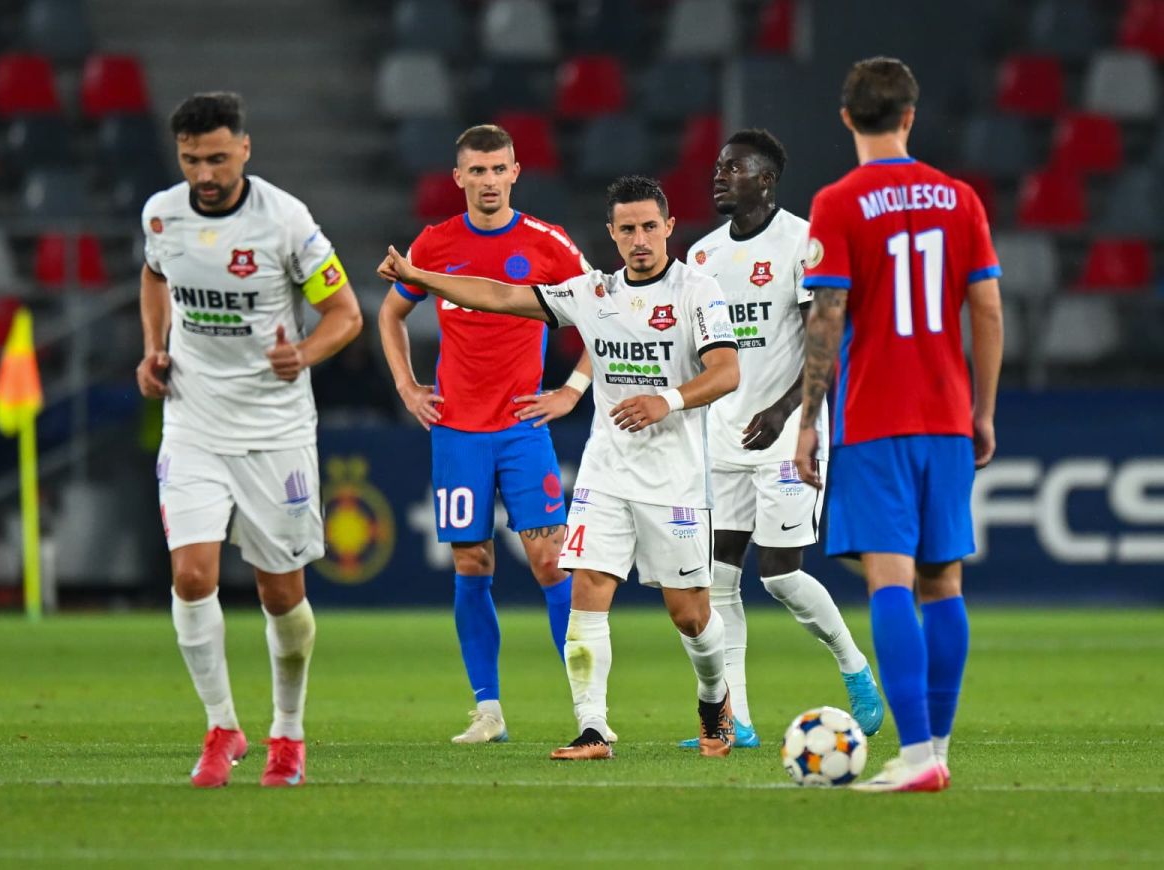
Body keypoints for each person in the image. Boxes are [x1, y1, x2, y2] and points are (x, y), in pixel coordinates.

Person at [379, 175, 742, 760]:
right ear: (612, 234)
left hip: (674, 478)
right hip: (605, 472)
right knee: (587, 592)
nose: (640, 239)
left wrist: (666, 400)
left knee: (690, 615)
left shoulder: (697, 291)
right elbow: (498, 295)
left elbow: (727, 371)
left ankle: (713, 695)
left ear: (670, 228)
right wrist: (421, 276)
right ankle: (593, 727)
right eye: (628, 229)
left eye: (650, 227)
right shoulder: (591, 293)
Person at [136, 92, 363, 788]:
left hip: (274, 431)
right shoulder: (161, 214)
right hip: (194, 421)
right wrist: (153, 347)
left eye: (216, 158)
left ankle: (287, 733)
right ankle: (221, 726)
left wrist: (306, 354)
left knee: (281, 594)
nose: (204, 174)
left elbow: (345, 314)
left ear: (244, 148)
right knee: (191, 576)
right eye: (190, 160)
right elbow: (154, 273)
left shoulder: (285, 221)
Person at [797, 57, 1003, 792]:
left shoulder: (838, 202)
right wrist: (982, 410)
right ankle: (936, 748)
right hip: (946, 415)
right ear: (910, 116)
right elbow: (987, 308)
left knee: (891, 579)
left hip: (875, 416)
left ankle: (916, 757)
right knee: (944, 581)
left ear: (847, 118)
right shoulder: (960, 198)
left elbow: (827, 316)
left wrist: (809, 420)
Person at [377, 125, 594, 745]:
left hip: (523, 430)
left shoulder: (548, 243)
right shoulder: (435, 244)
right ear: (459, 178)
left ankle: (589, 710)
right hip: (457, 433)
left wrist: (571, 391)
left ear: (516, 173)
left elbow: (607, 314)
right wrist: (407, 387)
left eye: (499, 169)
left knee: (550, 562)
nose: (490, 181)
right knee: (473, 562)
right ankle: (488, 710)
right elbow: (391, 313)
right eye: (477, 170)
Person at [678, 129, 883, 750]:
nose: (719, 176)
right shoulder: (703, 256)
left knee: (780, 575)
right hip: (723, 438)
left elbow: (825, 343)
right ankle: (736, 722)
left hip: (787, 435)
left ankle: (854, 667)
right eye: (718, 166)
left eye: (733, 168)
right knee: (717, 579)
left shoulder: (801, 243)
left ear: (765, 181)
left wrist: (785, 409)